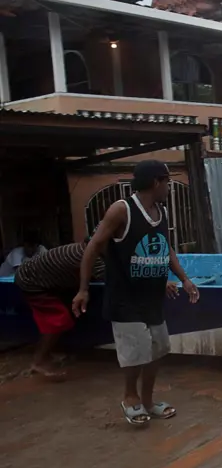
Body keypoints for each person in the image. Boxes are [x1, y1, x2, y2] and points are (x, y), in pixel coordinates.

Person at [73, 160, 200, 426]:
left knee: (158, 347)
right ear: (156, 182)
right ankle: (130, 397)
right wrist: (83, 289)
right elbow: (93, 247)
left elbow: (165, 248)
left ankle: (148, 400)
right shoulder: (122, 210)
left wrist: (184, 279)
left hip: (151, 297)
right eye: (167, 181)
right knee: (136, 351)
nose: (168, 187)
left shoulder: (160, 211)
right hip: (124, 298)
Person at [14, 241, 105, 379]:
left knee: (69, 312)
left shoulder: (85, 247)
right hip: (31, 281)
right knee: (58, 320)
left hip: (42, 278)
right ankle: (39, 361)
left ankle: (52, 351)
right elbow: (112, 278)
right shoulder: (94, 258)